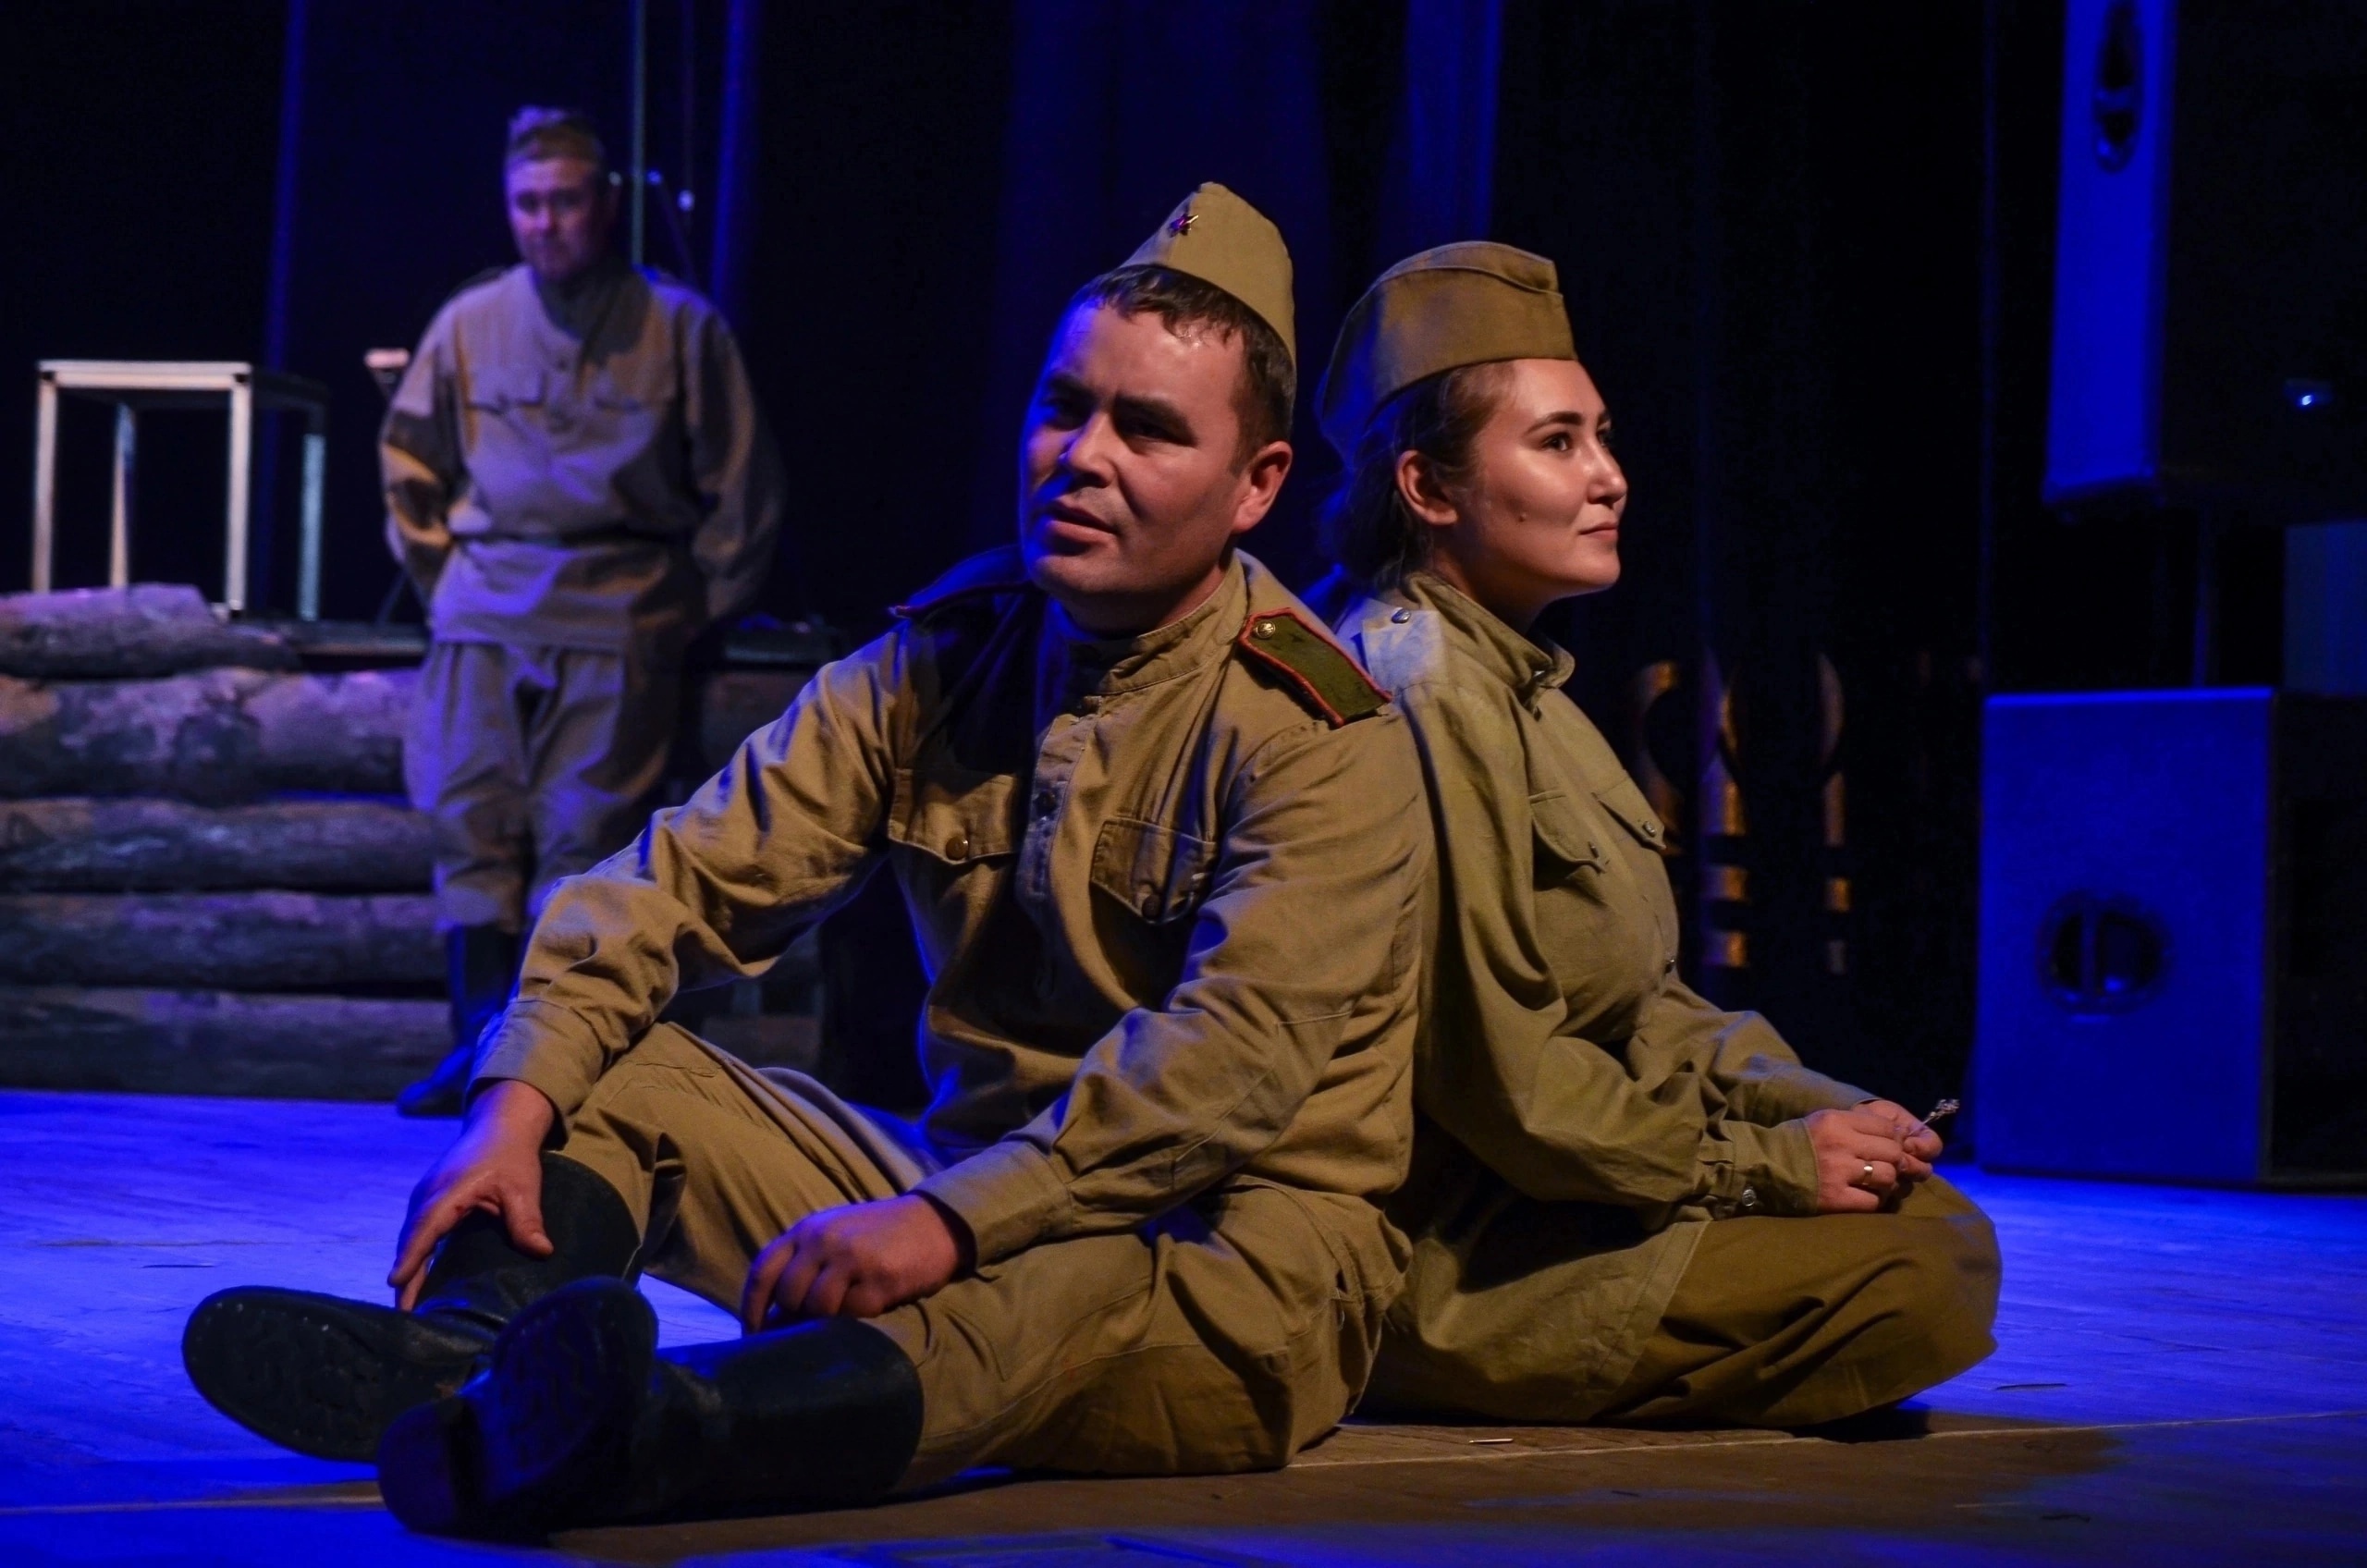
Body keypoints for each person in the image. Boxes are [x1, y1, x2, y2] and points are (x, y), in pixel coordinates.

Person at [182, 185, 1429, 1535]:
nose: (1082, 457)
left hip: (1223, 1257)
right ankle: (474, 1352)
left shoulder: (1318, 734)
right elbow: (683, 878)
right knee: (615, 1069)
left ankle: (655, 1435)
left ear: (1258, 485)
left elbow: (1224, 1072)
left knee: (1052, 1298)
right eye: (1064, 408)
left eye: (1149, 430)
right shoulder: (946, 657)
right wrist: (514, 1102)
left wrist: (949, 1228)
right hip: (965, 1185)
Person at [1314, 242, 2000, 1428]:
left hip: (1558, 1177)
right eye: (1556, 442)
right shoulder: (1423, 686)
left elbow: (1644, 1007)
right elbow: (1497, 1079)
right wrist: (1763, 1166)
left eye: (1601, 436)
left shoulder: (1524, 684)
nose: (1610, 477)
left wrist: (1815, 1107)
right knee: (1918, 1273)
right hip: (1455, 1238)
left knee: (1924, 1223)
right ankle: (1413, 1361)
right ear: (1426, 487)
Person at [380, 107, 785, 1118]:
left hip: (617, 606)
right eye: (527, 204)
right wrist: (448, 585)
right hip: (486, 607)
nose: (545, 223)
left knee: (578, 834)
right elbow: (409, 462)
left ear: (604, 204)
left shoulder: (677, 324)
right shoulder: (471, 321)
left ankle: (535, 1058)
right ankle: (475, 1042)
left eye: (564, 201)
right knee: (468, 819)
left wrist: (692, 610)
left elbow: (742, 487)